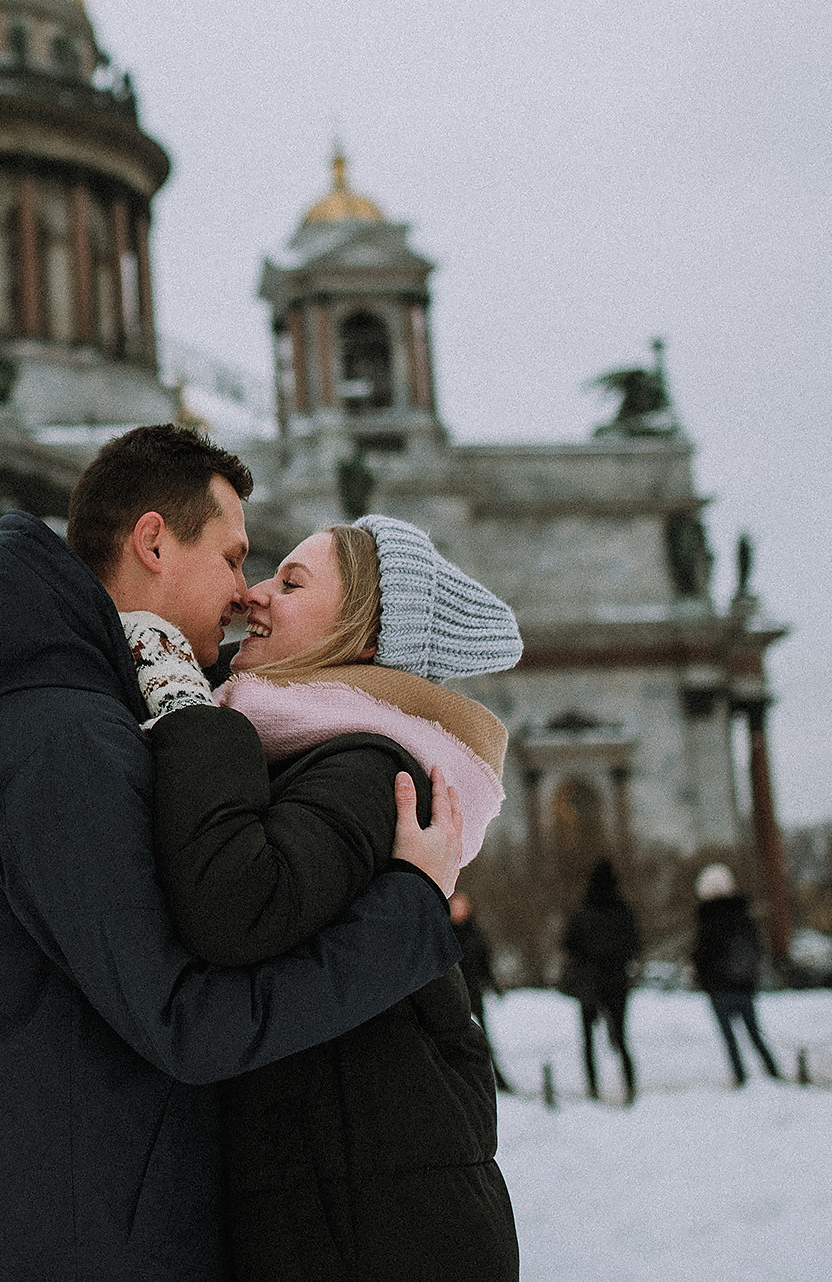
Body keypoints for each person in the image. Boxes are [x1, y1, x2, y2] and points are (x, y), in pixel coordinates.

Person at [0, 426, 468, 1281]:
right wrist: (409, 913)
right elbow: (188, 1023)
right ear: (154, 541)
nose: (244, 593)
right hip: (73, 1251)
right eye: (234, 558)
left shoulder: (83, 716)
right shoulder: (65, 738)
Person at [134, 516, 523, 1281]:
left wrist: (187, 713)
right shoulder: (303, 756)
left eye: (292, 582)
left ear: (365, 635)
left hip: (382, 1232)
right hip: (346, 1207)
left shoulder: (372, 768)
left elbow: (240, 907)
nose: (254, 594)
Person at [692, 862, 782, 1086]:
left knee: (730, 1038)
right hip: (744, 984)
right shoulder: (743, 916)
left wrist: (703, 977)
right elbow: (756, 947)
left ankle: (741, 1078)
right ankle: (773, 1073)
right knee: (754, 1034)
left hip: (719, 987)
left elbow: (702, 954)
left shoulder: (709, 919)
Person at [562, 858, 640, 1104]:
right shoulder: (623, 912)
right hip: (617, 981)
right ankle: (630, 1084)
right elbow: (634, 944)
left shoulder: (582, 912)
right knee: (620, 1036)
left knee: (588, 1039)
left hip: (589, 981)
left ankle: (593, 1086)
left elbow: (568, 945)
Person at [453, 892, 517, 1092]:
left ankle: (496, 1078)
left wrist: (494, 985)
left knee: (483, 1037)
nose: (459, 910)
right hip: (455, 994)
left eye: (462, 906)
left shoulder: (475, 934)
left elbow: (484, 964)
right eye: (455, 906)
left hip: (474, 992)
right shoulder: (446, 934)